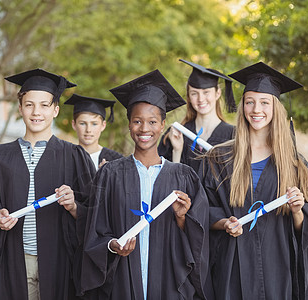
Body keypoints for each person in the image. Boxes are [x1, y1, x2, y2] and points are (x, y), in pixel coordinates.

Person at [0, 69, 96, 300]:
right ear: (20, 107)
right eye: (29, 105)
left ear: (55, 110)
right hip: (12, 262)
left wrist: (74, 206)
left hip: (60, 264)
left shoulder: (74, 156)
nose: (36, 112)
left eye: (44, 105)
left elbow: (97, 213)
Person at [199, 62, 308, 299]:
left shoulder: (293, 163)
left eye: (264, 102)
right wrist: (224, 223)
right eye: (249, 101)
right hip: (232, 268)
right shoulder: (218, 158)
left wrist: (298, 210)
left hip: (279, 268)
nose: (256, 109)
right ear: (242, 106)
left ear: (275, 108)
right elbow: (203, 208)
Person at [80, 70, 209, 299]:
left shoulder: (184, 176)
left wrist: (181, 218)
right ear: (129, 124)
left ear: (162, 125)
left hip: (168, 282)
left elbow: (198, 241)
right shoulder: (110, 174)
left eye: (152, 122)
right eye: (137, 121)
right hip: (121, 282)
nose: (144, 129)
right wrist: (112, 245)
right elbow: (95, 229)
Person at [158, 59, 236, 173]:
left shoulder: (233, 136)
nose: (200, 99)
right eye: (194, 93)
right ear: (189, 96)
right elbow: (164, 179)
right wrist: (177, 150)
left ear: (218, 93)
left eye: (206, 92)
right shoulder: (176, 133)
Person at [65, 93, 123, 170]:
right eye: (82, 123)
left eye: (94, 124)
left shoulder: (116, 160)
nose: (88, 130)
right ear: (74, 125)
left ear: (103, 125)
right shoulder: (64, 158)